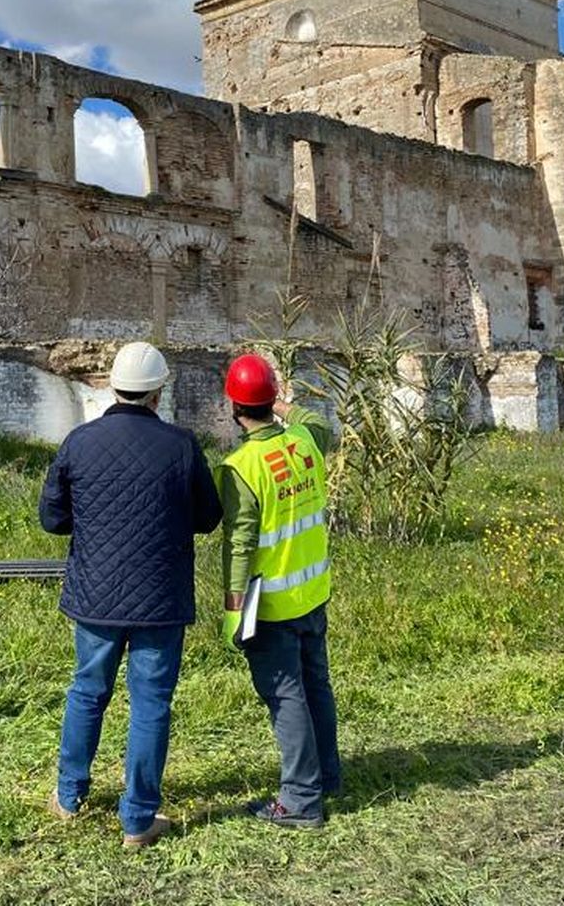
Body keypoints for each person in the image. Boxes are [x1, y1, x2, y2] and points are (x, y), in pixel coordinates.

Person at [39, 340, 223, 848]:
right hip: (160, 599)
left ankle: (69, 795)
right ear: (158, 392)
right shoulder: (182, 446)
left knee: (87, 693)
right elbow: (209, 518)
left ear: (112, 386)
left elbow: (52, 520)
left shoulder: (79, 442)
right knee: (151, 705)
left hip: (95, 598)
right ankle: (138, 820)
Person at [216, 351, 340, 829]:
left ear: (233, 406)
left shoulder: (240, 466)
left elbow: (240, 544)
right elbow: (315, 419)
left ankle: (301, 800)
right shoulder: (306, 442)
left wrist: (233, 609)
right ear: (270, 401)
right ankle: (326, 776)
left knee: (286, 695)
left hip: (270, 606)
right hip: (313, 591)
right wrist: (283, 404)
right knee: (315, 685)